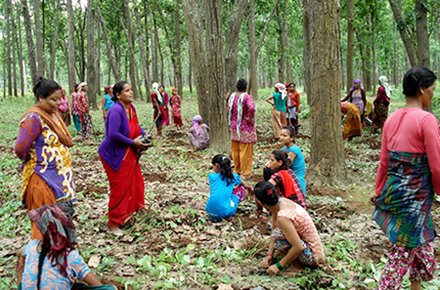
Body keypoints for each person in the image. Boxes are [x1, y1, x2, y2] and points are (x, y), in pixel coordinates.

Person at [369, 67, 439, 290]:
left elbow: (384, 162)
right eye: (432, 89)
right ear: (422, 90)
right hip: (416, 199)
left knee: (420, 242)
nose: (433, 94)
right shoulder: (426, 120)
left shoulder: (392, 119)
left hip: (396, 193)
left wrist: (378, 189)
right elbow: (436, 166)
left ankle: (416, 286)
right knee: (401, 254)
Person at [14, 77, 76, 241]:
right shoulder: (33, 118)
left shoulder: (53, 115)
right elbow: (20, 148)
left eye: (59, 99)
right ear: (41, 98)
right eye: (53, 100)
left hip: (58, 178)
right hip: (42, 179)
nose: (57, 103)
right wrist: (33, 159)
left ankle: (56, 261)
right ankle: (37, 262)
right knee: (44, 227)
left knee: (58, 224)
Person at [18, 202, 116, 289]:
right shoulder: (70, 257)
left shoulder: (32, 247)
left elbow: (19, 252)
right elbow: (97, 285)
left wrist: (21, 273)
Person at [98, 81, 149, 235]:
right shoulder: (115, 111)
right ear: (118, 95)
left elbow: (136, 126)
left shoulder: (131, 108)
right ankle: (113, 224)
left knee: (135, 182)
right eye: (127, 90)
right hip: (115, 155)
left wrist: (144, 135)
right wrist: (133, 142)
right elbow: (112, 134)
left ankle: (129, 214)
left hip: (129, 153)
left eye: (131, 89)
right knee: (119, 187)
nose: (131, 92)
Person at [254, 181, 325, 275]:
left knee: (278, 235)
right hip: (311, 247)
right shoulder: (280, 203)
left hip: (313, 256)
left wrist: (278, 266)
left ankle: (297, 266)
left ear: (260, 202)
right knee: (276, 232)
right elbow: (274, 229)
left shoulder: (283, 217)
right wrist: (269, 254)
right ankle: (292, 259)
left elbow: (298, 246)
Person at [205, 155, 252, 220]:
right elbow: (243, 184)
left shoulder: (212, 176)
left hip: (209, 210)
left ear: (217, 165)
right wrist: (249, 188)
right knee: (241, 189)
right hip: (224, 212)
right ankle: (228, 214)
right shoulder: (234, 178)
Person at [263, 126, 306, 195]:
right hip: (288, 175)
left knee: (270, 171)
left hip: (295, 178)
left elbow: (286, 165)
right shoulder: (284, 149)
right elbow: (277, 159)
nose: (282, 138)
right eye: (281, 135)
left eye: (284, 136)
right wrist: (270, 163)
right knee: (267, 169)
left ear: (292, 138)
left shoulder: (294, 149)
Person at [227, 78, 257, 180]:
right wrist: (249, 117)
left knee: (235, 150)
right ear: (246, 88)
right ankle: (245, 173)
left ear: (236, 87)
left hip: (234, 127)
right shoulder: (246, 97)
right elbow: (252, 108)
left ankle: (237, 170)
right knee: (245, 150)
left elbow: (228, 110)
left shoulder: (232, 97)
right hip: (245, 128)